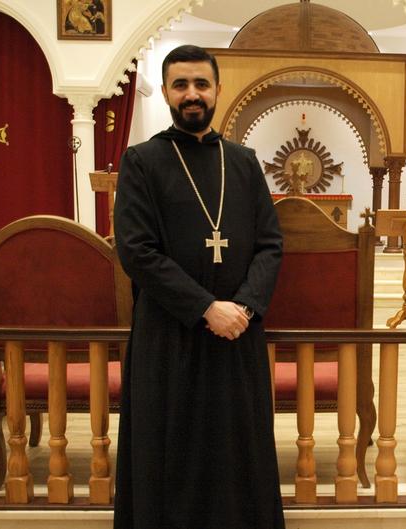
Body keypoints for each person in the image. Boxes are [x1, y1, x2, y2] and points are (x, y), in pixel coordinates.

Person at [113, 45, 285, 529]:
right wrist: (207, 308)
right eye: (181, 84)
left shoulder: (245, 162)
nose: (192, 94)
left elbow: (271, 245)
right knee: (170, 451)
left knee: (238, 449)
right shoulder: (142, 162)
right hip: (169, 336)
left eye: (201, 84)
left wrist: (244, 309)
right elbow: (137, 251)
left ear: (217, 90)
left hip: (237, 336)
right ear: (166, 91)